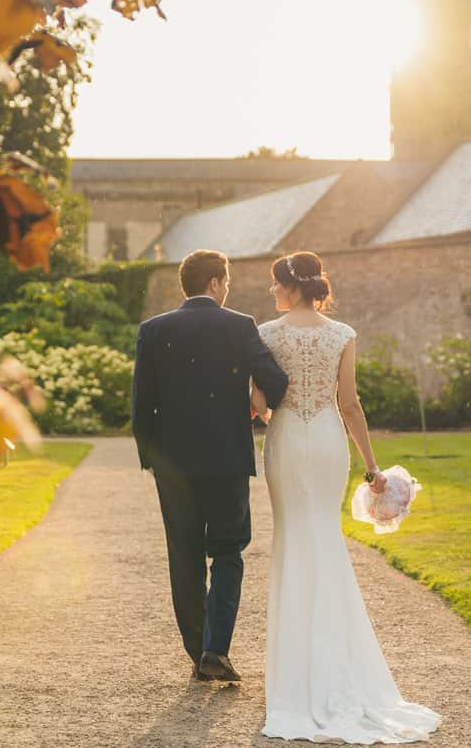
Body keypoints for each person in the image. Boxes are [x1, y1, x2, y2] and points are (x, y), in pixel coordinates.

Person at [252, 251, 441, 743]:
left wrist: (261, 406)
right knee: (324, 539)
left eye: (275, 285)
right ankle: (337, 663)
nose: (271, 292)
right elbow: (349, 404)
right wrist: (371, 466)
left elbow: (259, 404)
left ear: (291, 288)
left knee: (293, 539)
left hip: (288, 442)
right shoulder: (342, 334)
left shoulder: (267, 335)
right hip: (330, 444)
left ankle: (296, 674)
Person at [131, 249, 289, 683]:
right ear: (217, 282)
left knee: (183, 556)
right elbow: (275, 379)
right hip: (226, 461)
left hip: (173, 466)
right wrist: (259, 400)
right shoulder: (239, 326)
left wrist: (152, 461)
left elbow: (142, 406)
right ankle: (215, 650)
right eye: (228, 281)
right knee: (227, 552)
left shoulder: (154, 330)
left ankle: (197, 648)